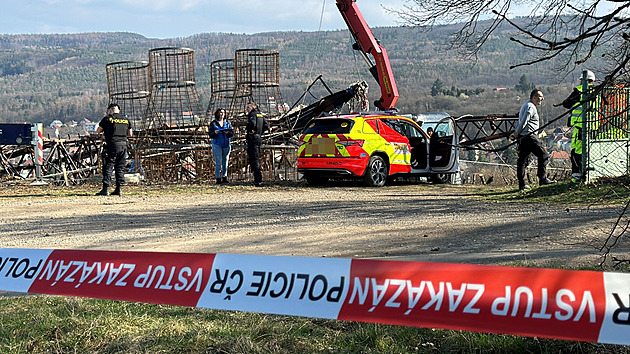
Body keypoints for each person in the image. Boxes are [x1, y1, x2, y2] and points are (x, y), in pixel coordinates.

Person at [553, 70, 595, 183]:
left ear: (583, 80)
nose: (580, 82)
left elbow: (567, 103)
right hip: (594, 128)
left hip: (581, 127)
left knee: (576, 153)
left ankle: (577, 178)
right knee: (589, 151)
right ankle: (588, 175)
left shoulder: (580, 91)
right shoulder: (596, 92)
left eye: (581, 80)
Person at [510, 89, 556, 191]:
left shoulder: (526, 105)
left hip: (524, 137)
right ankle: (542, 179)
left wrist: (517, 134)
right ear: (534, 97)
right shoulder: (530, 107)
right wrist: (516, 134)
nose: (542, 99)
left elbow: (520, 121)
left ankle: (522, 185)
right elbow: (523, 122)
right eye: (540, 96)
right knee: (543, 154)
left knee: (522, 160)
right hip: (529, 136)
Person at [96, 103, 132, 196]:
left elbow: (98, 131)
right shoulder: (126, 119)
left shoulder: (107, 119)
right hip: (123, 145)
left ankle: (105, 189)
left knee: (108, 166)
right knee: (120, 167)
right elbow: (130, 134)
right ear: (118, 110)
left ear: (110, 110)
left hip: (112, 145)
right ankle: (119, 189)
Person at [245, 102, 269, 187]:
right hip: (258, 138)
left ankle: (258, 180)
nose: (246, 109)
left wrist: (251, 130)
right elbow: (266, 126)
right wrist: (259, 132)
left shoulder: (252, 115)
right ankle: (258, 179)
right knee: (256, 158)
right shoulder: (260, 115)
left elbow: (252, 123)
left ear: (253, 107)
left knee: (254, 159)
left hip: (252, 139)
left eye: (248, 107)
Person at [209, 108, 233, 184]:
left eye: (223, 113)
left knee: (225, 161)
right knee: (218, 162)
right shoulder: (213, 123)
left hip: (226, 143)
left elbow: (231, 134)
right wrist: (215, 133)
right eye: (220, 113)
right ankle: (218, 178)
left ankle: (224, 177)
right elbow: (210, 134)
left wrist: (227, 133)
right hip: (217, 144)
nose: (221, 114)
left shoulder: (227, 122)